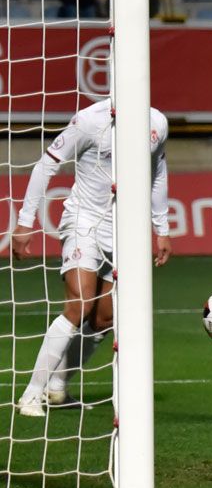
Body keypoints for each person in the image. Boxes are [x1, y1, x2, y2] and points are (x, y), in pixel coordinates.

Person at [10, 98, 172, 417]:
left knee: (104, 319)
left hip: (126, 230)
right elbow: (47, 164)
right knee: (80, 305)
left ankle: (57, 387)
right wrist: (25, 221)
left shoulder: (157, 123)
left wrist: (161, 227)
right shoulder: (89, 120)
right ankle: (31, 394)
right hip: (84, 220)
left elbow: (158, 172)